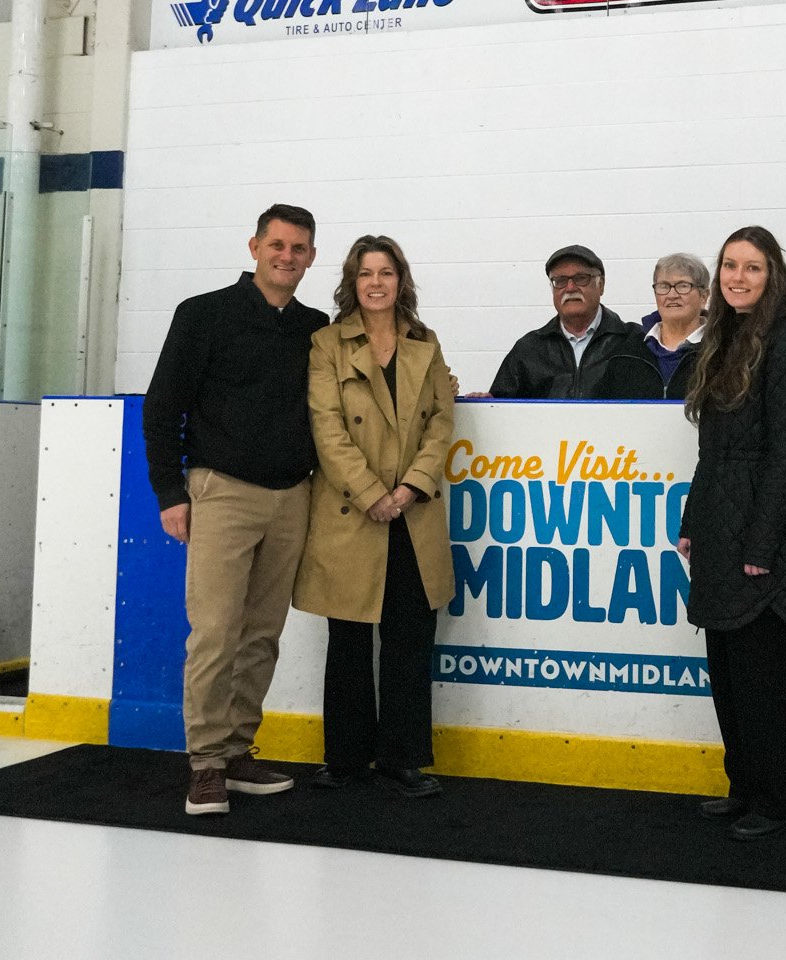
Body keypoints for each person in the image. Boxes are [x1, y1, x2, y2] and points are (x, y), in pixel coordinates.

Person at [143, 203, 328, 817]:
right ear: (254, 247)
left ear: (311, 257)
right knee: (216, 632)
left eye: (299, 248)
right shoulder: (203, 315)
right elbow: (161, 407)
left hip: (292, 497)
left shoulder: (316, 328)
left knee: (261, 635)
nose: (287, 256)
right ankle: (205, 764)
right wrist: (170, 493)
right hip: (221, 491)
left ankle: (238, 749)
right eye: (277, 245)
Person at [295, 236, 455, 795]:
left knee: (411, 638)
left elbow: (440, 421)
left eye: (386, 272)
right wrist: (371, 494)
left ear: (401, 279)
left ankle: (402, 758)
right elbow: (326, 428)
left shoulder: (425, 343)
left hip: (413, 513)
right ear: (352, 281)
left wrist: (410, 488)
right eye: (366, 273)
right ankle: (344, 760)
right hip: (352, 512)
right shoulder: (325, 343)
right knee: (350, 640)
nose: (377, 282)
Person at [678, 228, 786, 840]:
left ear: (772, 274)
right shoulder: (726, 337)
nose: (737, 277)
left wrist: (762, 545)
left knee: (765, 681)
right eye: (729, 266)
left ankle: (778, 800)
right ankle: (745, 786)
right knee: (729, 672)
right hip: (718, 521)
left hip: (766, 531)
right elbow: (711, 451)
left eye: (751, 268)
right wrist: (691, 521)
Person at [489, 245, 629, 398]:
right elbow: (499, 409)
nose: (570, 288)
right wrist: (483, 402)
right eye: (560, 281)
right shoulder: (528, 350)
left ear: (601, 285)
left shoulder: (634, 343)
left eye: (581, 278)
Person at [603, 253, 710, 401]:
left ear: (704, 296)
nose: (672, 295)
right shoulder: (626, 353)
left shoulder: (721, 352)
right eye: (664, 286)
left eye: (683, 286)